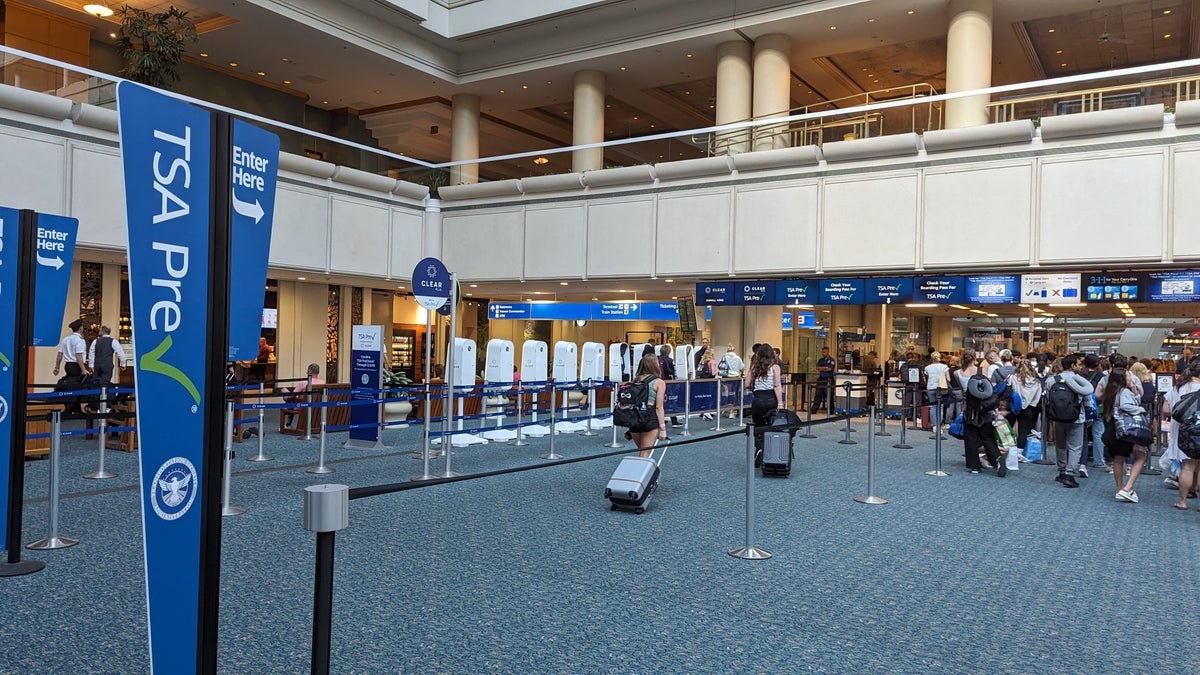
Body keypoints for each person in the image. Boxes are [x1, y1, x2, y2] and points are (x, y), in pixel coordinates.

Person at [1046, 354, 1097, 488]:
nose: (1080, 367)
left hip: (1057, 417)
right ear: (1073, 366)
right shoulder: (1079, 380)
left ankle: (1061, 471)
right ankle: (1070, 473)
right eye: (1078, 364)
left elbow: (1047, 396)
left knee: (1060, 444)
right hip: (1077, 418)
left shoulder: (1052, 380)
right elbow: (1087, 399)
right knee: (1075, 446)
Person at [1101, 367, 1149, 503]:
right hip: (1128, 428)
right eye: (1128, 376)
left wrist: (1134, 391)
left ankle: (1120, 487)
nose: (1131, 379)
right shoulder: (1124, 392)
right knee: (1140, 456)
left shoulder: (1110, 391)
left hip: (1114, 427)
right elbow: (1127, 406)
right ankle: (1128, 488)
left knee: (1118, 459)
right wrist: (1138, 408)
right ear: (1123, 379)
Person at [956, 349, 1004, 476]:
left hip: (969, 409)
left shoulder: (958, 373)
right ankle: (997, 459)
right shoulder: (982, 370)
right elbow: (989, 391)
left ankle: (974, 466)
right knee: (987, 436)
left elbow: (963, 392)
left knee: (971, 437)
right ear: (975, 358)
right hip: (985, 408)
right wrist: (995, 408)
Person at [1165, 359, 1200, 509]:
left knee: (1187, 466)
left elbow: (1167, 410)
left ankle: (1183, 501)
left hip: (1185, 432)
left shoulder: (1178, 387)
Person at [628, 354, 667, 458]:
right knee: (645, 453)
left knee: (642, 450)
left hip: (634, 418)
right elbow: (659, 407)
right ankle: (638, 474)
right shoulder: (659, 382)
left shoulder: (635, 380)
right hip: (649, 417)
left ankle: (637, 473)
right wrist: (662, 429)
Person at [1007, 359, 1043, 451]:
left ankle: (1007, 449)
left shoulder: (1012, 378)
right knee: (1023, 431)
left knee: (1007, 429)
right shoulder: (1037, 382)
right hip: (1029, 408)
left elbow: (1008, 390)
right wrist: (1031, 405)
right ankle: (1020, 451)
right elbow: (1036, 398)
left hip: (1013, 406)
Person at [658, 344, 681, 428]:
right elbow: (671, 371)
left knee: (659, 402)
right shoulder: (669, 360)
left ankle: (660, 419)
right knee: (671, 401)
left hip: (658, 382)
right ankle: (674, 421)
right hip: (667, 383)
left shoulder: (657, 359)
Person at [809, 346, 835, 415]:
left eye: (824, 352)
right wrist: (825, 368)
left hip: (829, 379)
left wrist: (822, 368)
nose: (823, 353)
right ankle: (814, 410)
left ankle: (831, 410)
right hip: (821, 378)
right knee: (818, 395)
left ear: (828, 352)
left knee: (829, 395)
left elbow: (830, 369)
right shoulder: (821, 360)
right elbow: (817, 367)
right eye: (822, 352)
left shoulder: (831, 360)